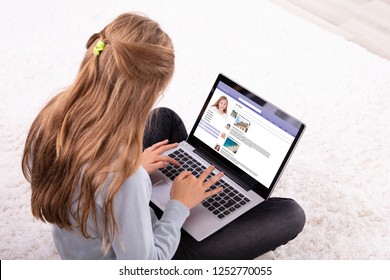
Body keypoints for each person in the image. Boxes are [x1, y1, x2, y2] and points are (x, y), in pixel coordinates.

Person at [22, 13, 305, 260]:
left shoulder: (51, 115)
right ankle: (202, 210)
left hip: (84, 238)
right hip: (142, 254)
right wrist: (177, 207)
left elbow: (92, 182)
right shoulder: (126, 180)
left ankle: (197, 191)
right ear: (145, 93)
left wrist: (135, 170)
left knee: (165, 118)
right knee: (290, 214)